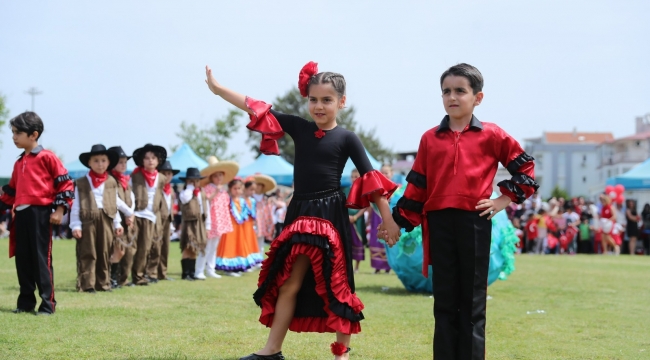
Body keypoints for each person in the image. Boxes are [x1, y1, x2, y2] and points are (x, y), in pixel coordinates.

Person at [205, 61, 398, 360]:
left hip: (330, 215)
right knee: (288, 282)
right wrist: (218, 90)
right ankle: (272, 350)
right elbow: (253, 106)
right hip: (300, 212)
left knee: (339, 285)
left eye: (327, 100)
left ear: (342, 102)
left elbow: (371, 180)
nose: (318, 106)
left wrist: (387, 219)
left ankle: (341, 355)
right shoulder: (299, 127)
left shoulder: (348, 138)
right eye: (313, 99)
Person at [384, 63, 538, 359]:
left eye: (460, 91)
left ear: (477, 97)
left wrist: (500, 201)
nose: (452, 97)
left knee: (472, 304)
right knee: (443, 303)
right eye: (446, 91)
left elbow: (525, 168)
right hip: (439, 223)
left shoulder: (492, 134)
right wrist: (396, 222)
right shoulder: (430, 138)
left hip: (475, 222)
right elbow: (418, 185)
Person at [0, 112, 75, 315]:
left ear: (33, 134)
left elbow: (66, 184)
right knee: (22, 259)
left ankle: (47, 304)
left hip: (40, 214)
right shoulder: (18, 163)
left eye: (18, 133)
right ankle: (25, 303)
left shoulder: (47, 157)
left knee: (41, 258)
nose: (14, 137)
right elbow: (11, 193)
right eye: (13, 132)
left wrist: (59, 210)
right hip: (21, 215)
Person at [70, 145, 125, 292]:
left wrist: (117, 223)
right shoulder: (81, 182)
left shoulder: (111, 182)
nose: (100, 164)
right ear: (89, 162)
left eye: (103, 160)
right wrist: (75, 225)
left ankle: (103, 283)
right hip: (87, 220)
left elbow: (114, 204)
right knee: (88, 252)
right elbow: (75, 205)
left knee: (104, 251)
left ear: (108, 163)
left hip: (107, 219)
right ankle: (87, 284)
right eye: (96, 161)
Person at [130, 144, 169, 285]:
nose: (150, 161)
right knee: (131, 247)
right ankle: (125, 277)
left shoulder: (161, 178)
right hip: (136, 214)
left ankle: (141, 275)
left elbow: (161, 197)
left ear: (158, 161)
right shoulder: (135, 175)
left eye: (153, 158)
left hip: (152, 216)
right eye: (146, 158)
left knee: (147, 247)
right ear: (142, 160)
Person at [196, 156, 239, 279]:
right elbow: (206, 201)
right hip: (211, 221)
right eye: (216, 175)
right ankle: (199, 270)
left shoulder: (224, 191)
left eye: (220, 175)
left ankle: (210, 269)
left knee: (214, 247)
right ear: (211, 177)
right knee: (206, 247)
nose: (219, 178)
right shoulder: (207, 188)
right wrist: (216, 191)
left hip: (220, 221)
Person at [215, 177, 262, 276]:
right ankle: (228, 268)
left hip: (239, 228)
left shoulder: (242, 201)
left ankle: (237, 266)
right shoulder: (227, 200)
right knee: (229, 245)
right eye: (234, 188)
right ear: (230, 189)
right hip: (229, 228)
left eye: (239, 188)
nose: (237, 191)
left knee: (238, 245)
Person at [107, 146, 136, 288]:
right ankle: (111, 279)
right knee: (117, 250)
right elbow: (114, 201)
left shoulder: (125, 180)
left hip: (127, 219)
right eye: (120, 162)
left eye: (125, 162)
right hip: (115, 219)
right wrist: (127, 213)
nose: (123, 165)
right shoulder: (110, 179)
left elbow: (132, 197)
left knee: (126, 251)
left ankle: (120, 279)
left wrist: (131, 213)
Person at [178, 168, 211, 280]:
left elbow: (206, 210)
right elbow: (185, 199)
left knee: (196, 248)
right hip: (189, 223)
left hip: (200, 222)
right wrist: (190, 188)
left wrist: (207, 226)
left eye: (196, 181)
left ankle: (192, 272)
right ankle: (185, 273)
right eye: (191, 181)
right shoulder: (185, 192)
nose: (195, 183)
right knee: (188, 247)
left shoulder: (201, 193)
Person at [148, 160, 179, 281]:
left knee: (165, 247)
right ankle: (151, 273)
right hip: (157, 219)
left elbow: (170, 206)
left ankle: (163, 273)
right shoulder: (156, 187)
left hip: (167, 220)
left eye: (169, 173)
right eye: (164, 173)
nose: (167, 176)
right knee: (155, 246)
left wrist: (171, 226)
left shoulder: (170, 190)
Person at [343, 169, 367, 273]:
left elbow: (365, 206)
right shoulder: (345, 190)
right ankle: (348, 266)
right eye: (352, 176)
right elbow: (342, 204)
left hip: (358, 220)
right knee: (347, 242)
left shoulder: (363, 191)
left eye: (356, 176)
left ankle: (357, 267)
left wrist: (356, 217)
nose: (354, 179)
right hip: (346, 219)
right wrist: (347, 216)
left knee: (358, 242)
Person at [253, 173, 277, 258]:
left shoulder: (266, 198)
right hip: (253, 221)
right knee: (252, 240)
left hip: (263, 221)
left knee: (261, 241)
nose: (258, 187)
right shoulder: (251, 197)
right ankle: (252, 259)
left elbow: (269, 211)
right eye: (257, 184)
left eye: (260, 185)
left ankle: (259, 258)